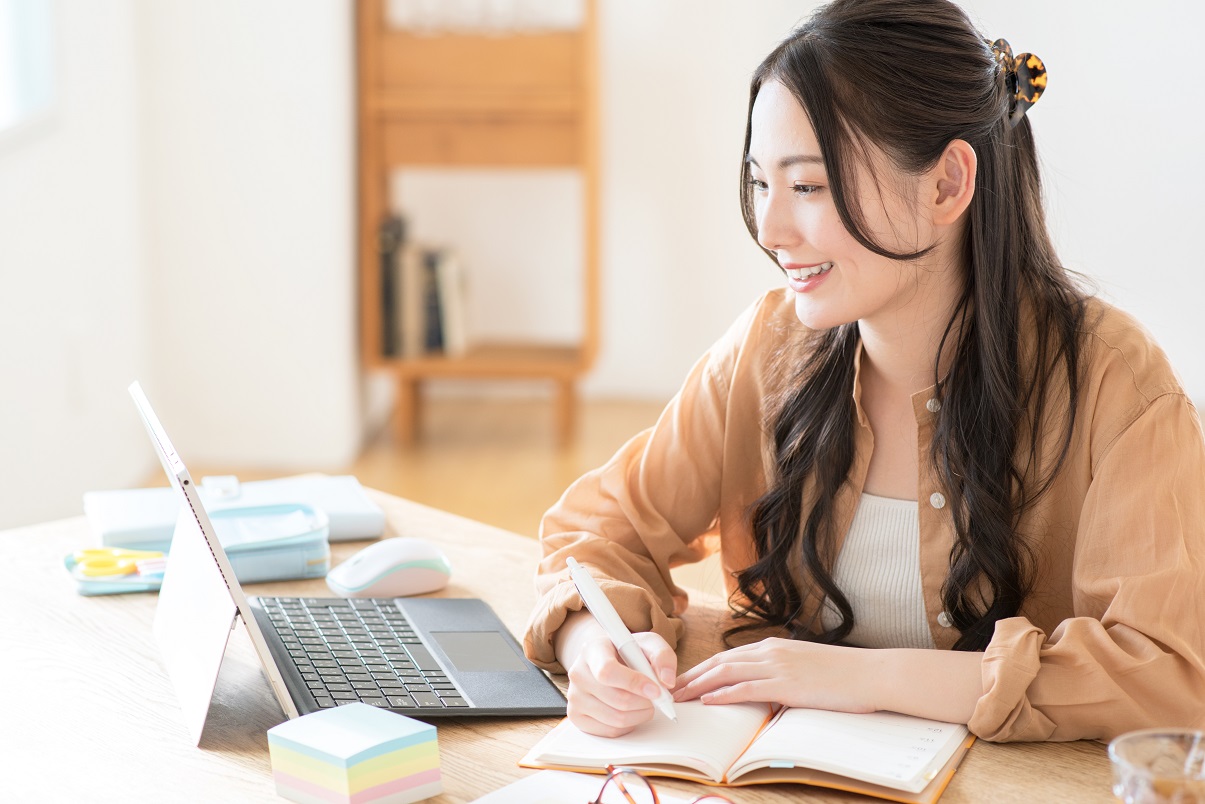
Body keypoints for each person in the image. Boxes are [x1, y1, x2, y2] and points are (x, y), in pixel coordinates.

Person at [522, 0, 1205, 743]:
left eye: (807, 186)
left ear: (946, 183)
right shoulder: (768, 345)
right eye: (760, 183)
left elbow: (1169, 673)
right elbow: (596, 534)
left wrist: (868, 679)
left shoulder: (1114, 382)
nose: (771, 229)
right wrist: (594, 649)